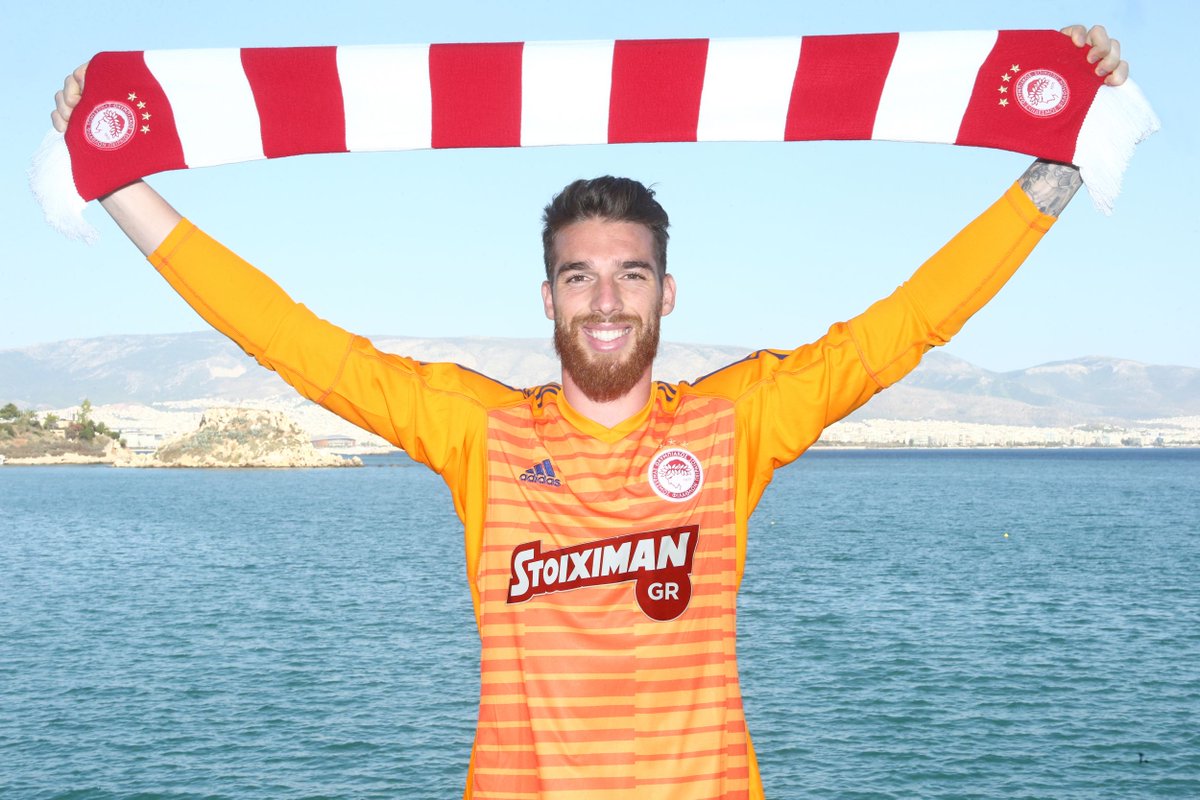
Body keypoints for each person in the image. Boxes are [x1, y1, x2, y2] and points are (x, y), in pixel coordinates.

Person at [52, 24, 1129, 800]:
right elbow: (291, 340)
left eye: (630, 274)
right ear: (548, 297)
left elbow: (903, 328)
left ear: (667, 293)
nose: (606, 300)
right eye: (580, 276)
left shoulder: (733, 423)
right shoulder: (478, 430)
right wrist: (118, 176)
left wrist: (1059, 166)